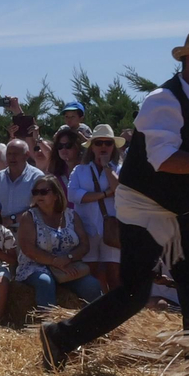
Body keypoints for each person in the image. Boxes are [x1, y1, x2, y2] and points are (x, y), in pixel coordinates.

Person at [40, 29, 189, 367]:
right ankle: (60, 336)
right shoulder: (163, 100)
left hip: (179, 207)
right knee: (134, 293)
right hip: (145, 204)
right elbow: (165, 159)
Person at [17, 174, 102, 311]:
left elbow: (84, 245)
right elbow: (28, 249)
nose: (39, 195)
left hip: (68, 264)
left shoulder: (71, 215)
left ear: (56, 195)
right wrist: (55, 261)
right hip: (36, 265)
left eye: (44, 192)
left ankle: (95, 323)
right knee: (45, 282)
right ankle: (48, 325)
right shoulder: (29, 217)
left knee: (93, 285)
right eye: (35, 192)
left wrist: (68, 258)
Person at [68, 124, 122, 291]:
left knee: (114, 273)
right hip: (86, 229)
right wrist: (105, 194)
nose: (103, 147)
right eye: (99, 143)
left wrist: (106, 166)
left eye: (108, 143)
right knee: (92, 273)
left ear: (114, 147)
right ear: (92, 147)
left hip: (112, 229)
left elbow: (120, 191)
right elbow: (73, 195)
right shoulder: (79, 170)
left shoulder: (120, 168)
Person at [0, 138, 41, 225]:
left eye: (15, 154)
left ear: (26, 155)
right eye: (9, 154)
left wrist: (11, 219)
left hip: (27, 230)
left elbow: (39, 208)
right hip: (1, 231)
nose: (12, 158)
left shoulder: (36, 177)